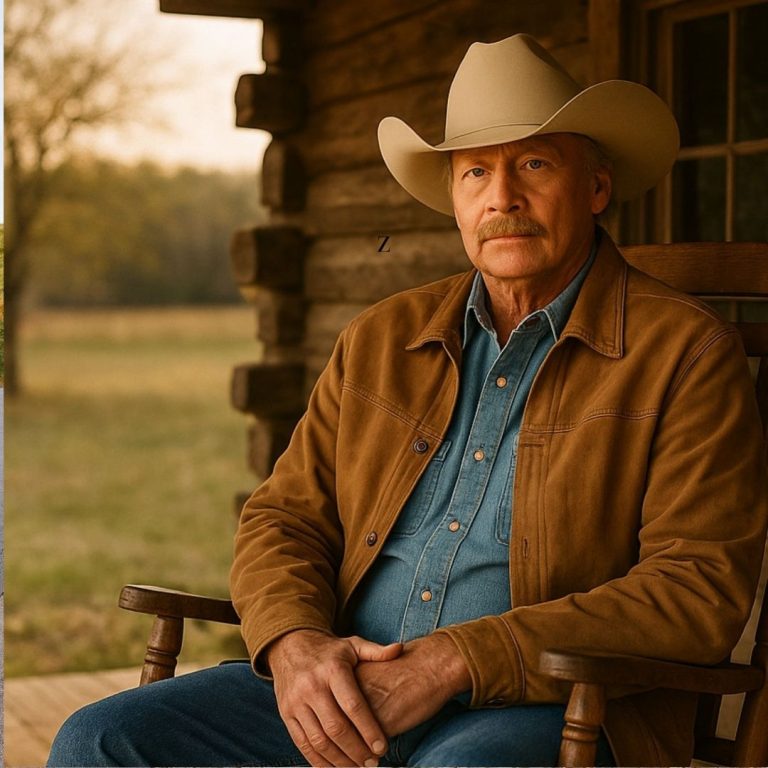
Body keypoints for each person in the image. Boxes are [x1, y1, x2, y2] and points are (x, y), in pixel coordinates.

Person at [49, 33, 767, 768]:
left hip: (542, 710)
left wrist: (456, 660)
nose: (503, 198)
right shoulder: (382, 339)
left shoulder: (685, 353)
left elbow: (696, 587)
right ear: (454, 199)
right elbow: (282, 518)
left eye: (535, 164)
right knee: (99, 741)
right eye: (476, 172)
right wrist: (296, 642)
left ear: (596, 187)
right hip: (344, 690)